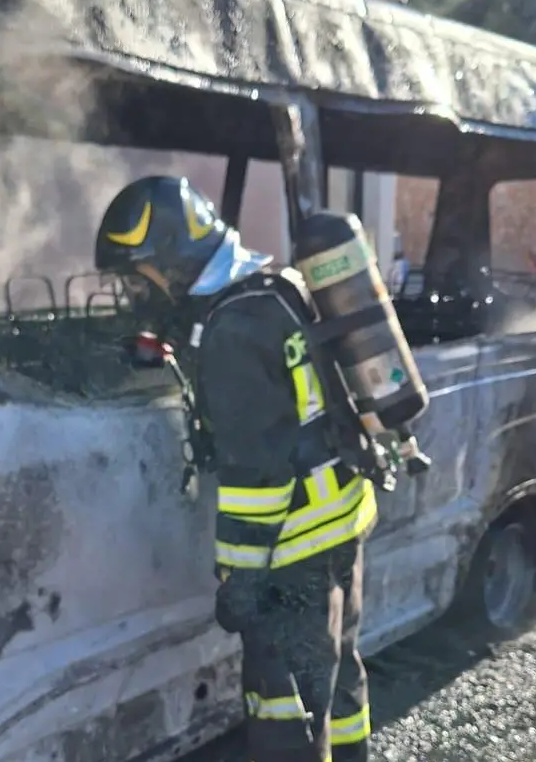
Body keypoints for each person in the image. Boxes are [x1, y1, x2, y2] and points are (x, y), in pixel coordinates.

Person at [95, 175, 378, 762]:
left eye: (138, 275)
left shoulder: (232, 331)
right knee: (336, 678)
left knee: (283, 705)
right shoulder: (270, 288)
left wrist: (242, 578)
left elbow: (257, 475)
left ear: (172, 257)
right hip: (342, 517)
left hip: (293, 547)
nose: (134, 291)